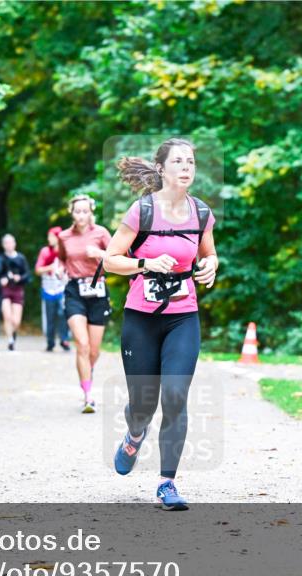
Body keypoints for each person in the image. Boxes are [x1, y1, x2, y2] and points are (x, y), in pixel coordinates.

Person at [102, 137, 218, 511]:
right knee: (143, 404)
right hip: (141, 318)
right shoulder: (142, 212)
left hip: (182, 317)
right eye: (179, 161)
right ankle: (135, 434)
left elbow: (209, 252)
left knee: (175, 396)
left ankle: (167, 482)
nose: (187, 167)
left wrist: (211, 266)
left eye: (191, 162)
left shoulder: (201, 213)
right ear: (162, 169)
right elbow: (110, 260)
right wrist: (146, 264)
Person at [57, 195, 112, 413]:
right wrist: (59, 266)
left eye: (85, 211)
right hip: (74, 291)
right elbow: (62, 257)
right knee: (82, 343)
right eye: (77, 211)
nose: (81, 215)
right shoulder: (64, 236)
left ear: (91, 212)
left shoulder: (101, 233)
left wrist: (99, 253)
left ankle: (87, 372)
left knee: (94, 351)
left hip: (98, 290)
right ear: (71, 212)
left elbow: (119, 257)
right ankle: (88, 396)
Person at [35, 226, 71, 352]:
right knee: (50, 317)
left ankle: (64, 340)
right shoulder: (45, 251)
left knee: (63, 314)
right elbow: (38, 270)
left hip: (62, 288)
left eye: (51, 236)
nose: (49, 239)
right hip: (48, 290)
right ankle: (50, 342)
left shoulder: (64, 251)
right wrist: (50, 267)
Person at [0, 234, 30, 351]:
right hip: (5, 289)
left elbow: (27, 274)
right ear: (3, 245)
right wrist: (2, 279)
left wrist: (19, 278)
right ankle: (10, 340)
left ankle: (13, 333)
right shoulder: (0, 258)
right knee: (7, 315)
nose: (9, 245)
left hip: (18, 289)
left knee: (16, 321)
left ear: (14, 243)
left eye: (11, 242)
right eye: (6, 243)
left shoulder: (21, 258)